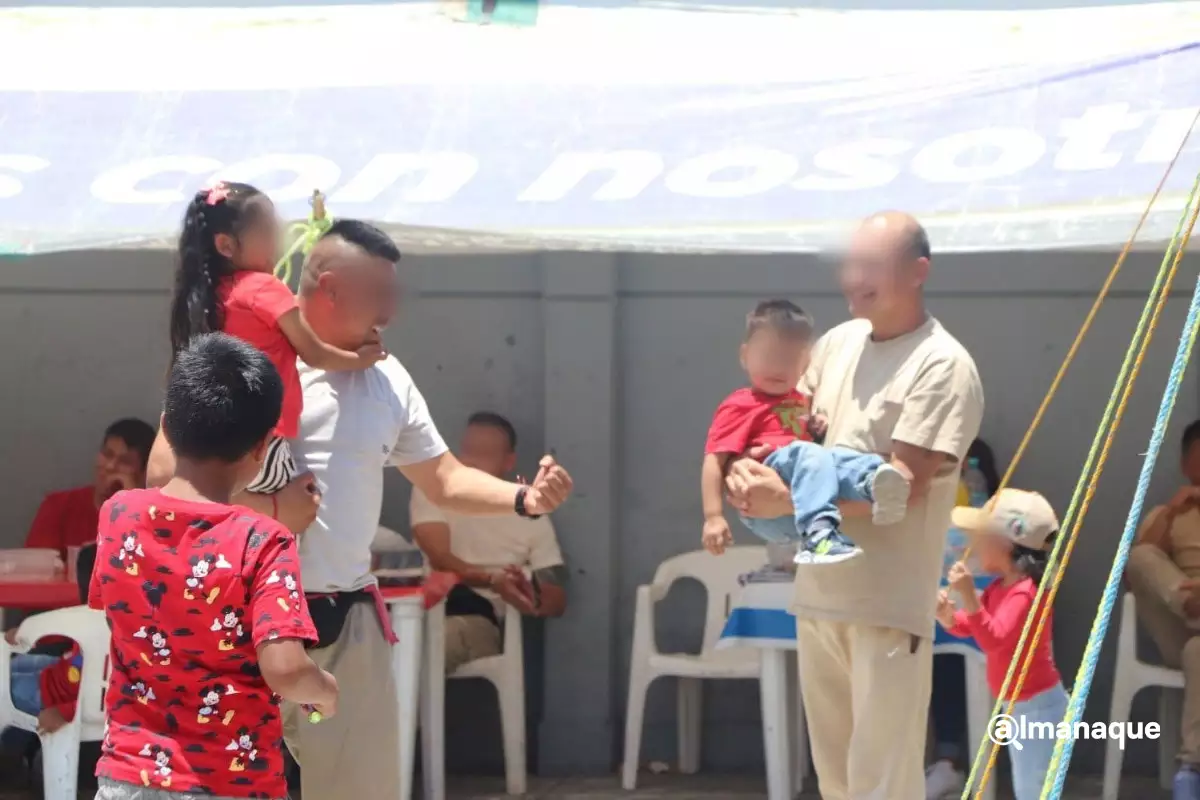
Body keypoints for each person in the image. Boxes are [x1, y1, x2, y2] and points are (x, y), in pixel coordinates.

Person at [146, 219, 573, 799]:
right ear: (329, 288)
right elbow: (162, 477)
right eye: (380, 296)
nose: (391, 315)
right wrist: (271, 508)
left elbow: (444, 478)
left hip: (343, 622)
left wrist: (524, 499)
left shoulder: (386, 378)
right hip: (234, 622)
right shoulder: (239, 358)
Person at [725, 211, 984, 799]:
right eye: (850, 264)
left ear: (920, 271)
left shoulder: (943, 365)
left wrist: (784, 498)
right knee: (838, 781)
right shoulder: (836, 344)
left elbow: (907, 485)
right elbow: (791, 434)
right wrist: (751, 466)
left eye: (873, 266)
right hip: (819, 599)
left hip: (888, 603)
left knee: (883, 782)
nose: (854, 278)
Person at [88, 333, 335, 800]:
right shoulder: (264, 541)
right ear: (263, 449)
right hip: (232, 783)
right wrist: (323, 690)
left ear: (167, 425)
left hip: (127, 776)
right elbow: (284, 667)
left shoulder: (118, 514)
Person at [169, 182, 385, 495]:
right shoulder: (263, 288)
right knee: (304, 509)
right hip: (266, 445)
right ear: (226, 245)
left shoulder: (212, 297)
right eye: (268, 232)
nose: (279, 239)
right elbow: (315, 354)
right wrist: (360, 359)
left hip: (228, 443)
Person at [701, 299, 910, 564]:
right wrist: (713, 517)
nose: (778, 367)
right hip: (763, 503)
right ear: (745, 355)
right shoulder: (740, 404)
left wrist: (813, 426)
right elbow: (713, 460)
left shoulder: (800, 398)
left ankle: (871, 484)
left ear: (805, 361)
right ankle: (819, 536)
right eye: (768, 356)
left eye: (789, 359)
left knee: (837, 458)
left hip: (797, 481)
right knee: (809, 453)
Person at [411, 411, 569, 673]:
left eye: (484, 454)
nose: (470, 461)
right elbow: (440, 558)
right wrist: (492, 580)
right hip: (423, 611)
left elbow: (557, 599)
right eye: (467, 450)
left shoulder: (532, 517)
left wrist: (526, 596)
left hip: (476, 620)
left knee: (424, 648)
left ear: (508, 462)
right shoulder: (432, 491)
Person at [938, 489, 1064, 800]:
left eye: (981, 536)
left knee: (1034, 788)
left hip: (1037, 708)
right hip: (1018, 705)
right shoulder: (1001, 587)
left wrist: (968, 596)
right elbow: (977, 628)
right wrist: (948, 617)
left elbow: (994, 640)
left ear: (1006, 544)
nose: (974, 544)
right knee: (1028, 785)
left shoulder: (1025, 593)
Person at [1125, 419, 1200, 799]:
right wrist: (1171, 514)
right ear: (1187, 463)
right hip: (1183, 623)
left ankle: (1190, 774)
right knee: (1140, 556)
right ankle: (1190, 602)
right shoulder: (1167, 515)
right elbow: (1132, 579)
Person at [926, 437, 1001, 798]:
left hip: (988, 604)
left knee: (964, 651)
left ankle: (966, 763)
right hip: (932, 594)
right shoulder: (917, 470)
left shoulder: (979, 460)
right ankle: (946, 761)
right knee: (937, 655)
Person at [23, 418, 155, 562]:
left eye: (125, 462)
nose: (110, 466)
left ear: (143, 474)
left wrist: (130, 507)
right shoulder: (58, 506)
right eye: (107, 454)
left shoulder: (154, 518)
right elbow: (37, 570)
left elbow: (150, 571)